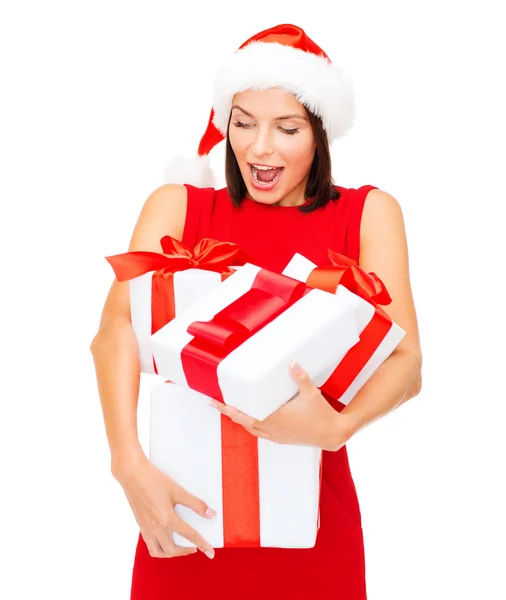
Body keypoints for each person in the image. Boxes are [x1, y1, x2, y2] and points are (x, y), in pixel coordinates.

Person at [90, 23, 422, 600]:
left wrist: (338, 427)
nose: (258, 148)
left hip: (314, 522)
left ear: (319, 134)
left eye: (286, 128)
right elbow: (116, 330)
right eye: (242, 124)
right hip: (183, 513)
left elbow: (407, 362)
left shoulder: (368, 213)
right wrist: (128, 465)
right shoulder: (178, 207)